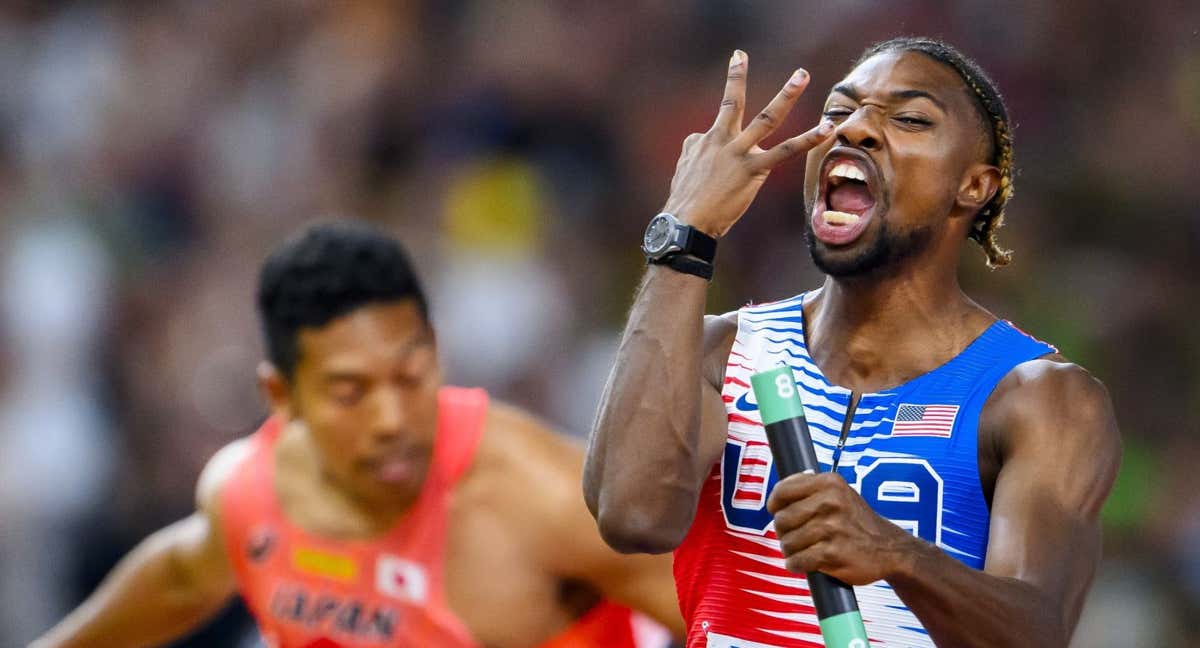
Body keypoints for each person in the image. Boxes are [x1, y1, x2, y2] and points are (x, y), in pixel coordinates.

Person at [585, 37, 1121, 647]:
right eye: (839, 112)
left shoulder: (1035, 398)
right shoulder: (722, 352)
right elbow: (632, 517)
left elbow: (1037, 632)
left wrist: (894, 551)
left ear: (975, 185)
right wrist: (686, 232)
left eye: (910, 118)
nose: (857, 128)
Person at [35, 222, 682, 648]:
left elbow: (742, 610)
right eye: (350, 392)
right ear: (282, 398)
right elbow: (179, 578)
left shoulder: (543, 500)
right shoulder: (252, 495)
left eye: (409, 376)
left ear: (435, 352)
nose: (393, 421)